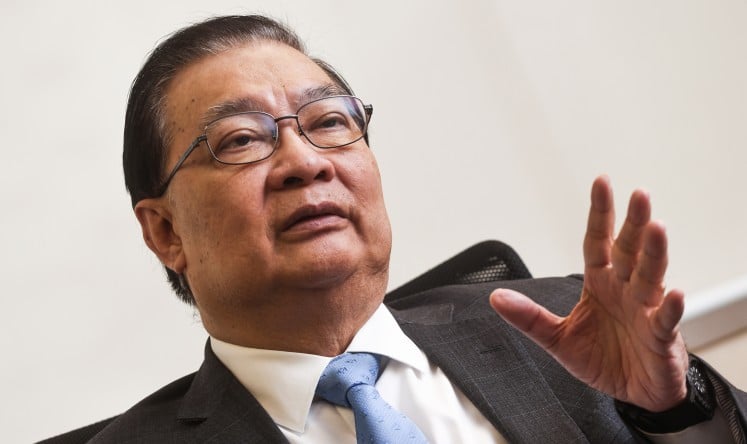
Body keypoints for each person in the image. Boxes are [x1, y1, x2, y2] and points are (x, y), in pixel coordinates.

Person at [41, 14, 746, 443]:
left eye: (329, 122)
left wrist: (672, 410)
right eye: (242, 140)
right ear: (165, 232)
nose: (305, 162)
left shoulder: (566, 325)